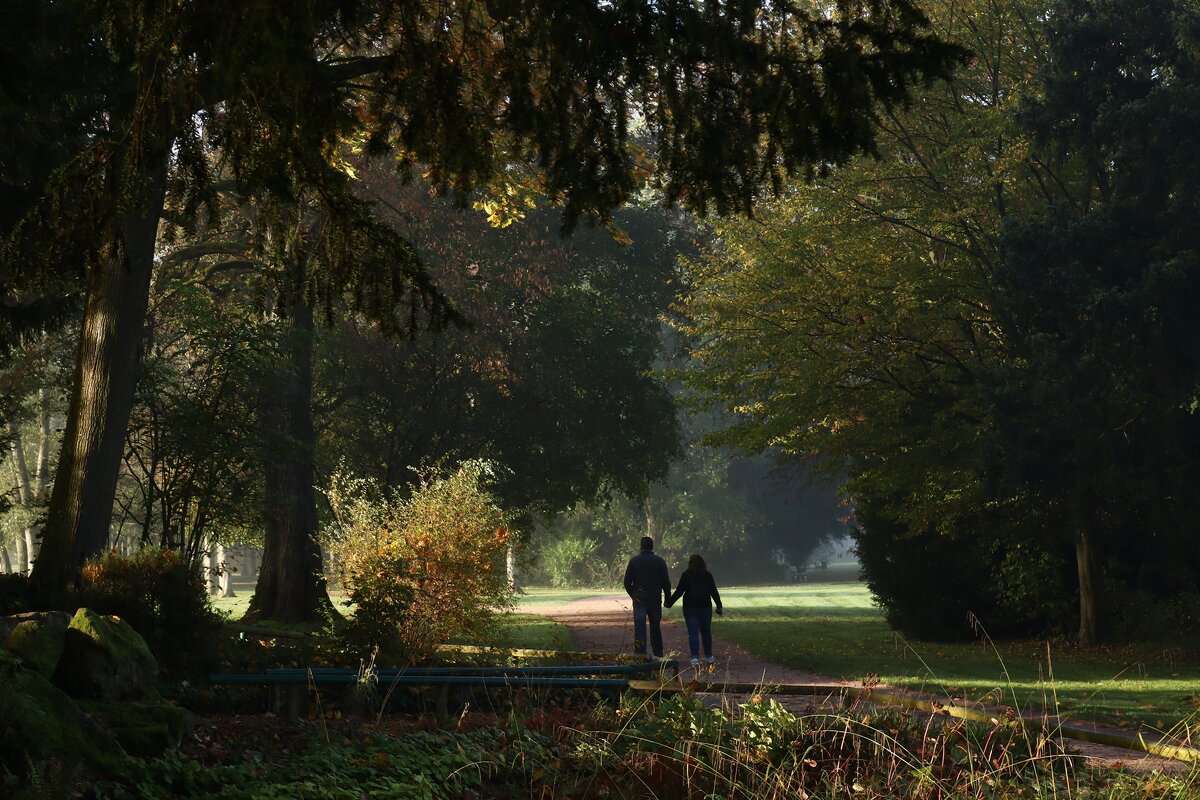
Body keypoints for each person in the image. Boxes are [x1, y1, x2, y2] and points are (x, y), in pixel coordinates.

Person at [665, 554, 723, 668]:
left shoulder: (686, 575)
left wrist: (669, 602)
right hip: (705, 607)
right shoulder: (707, 575)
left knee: (693, 634)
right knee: (706, 632)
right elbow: (713, 591)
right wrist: (719, 606)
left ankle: (695, 657)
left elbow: (679, 591)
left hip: (690, 608)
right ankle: (709, 656)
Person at [623, 536, 672, 659]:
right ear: (652, 547)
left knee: (640, 627)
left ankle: (640, 655)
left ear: (641, 546)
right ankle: (658, 655)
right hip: (655, 599)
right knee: (655, 627)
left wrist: (634, 595)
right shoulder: (659, 561)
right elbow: (666, 582)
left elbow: (627, 582)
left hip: (640, 599)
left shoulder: (634, 561)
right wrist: (667, 597)